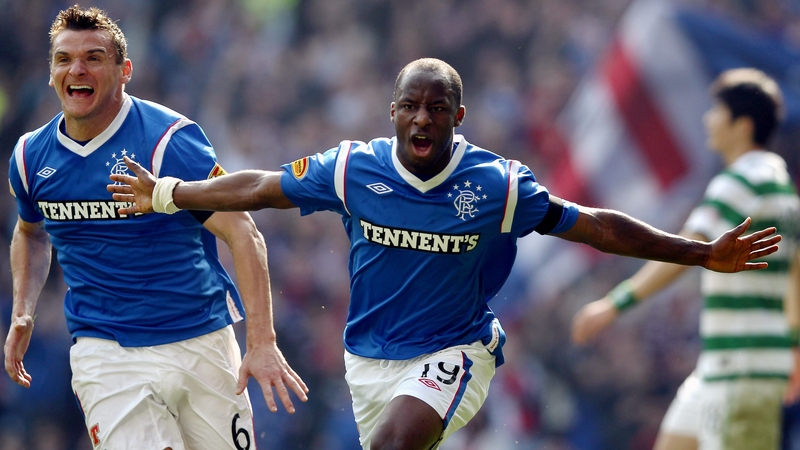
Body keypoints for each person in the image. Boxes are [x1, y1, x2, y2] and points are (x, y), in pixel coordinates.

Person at [109, 58, 781, 450]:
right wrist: (171, 191)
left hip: (455, 352)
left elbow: (596, 226)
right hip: (368, 359)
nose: (423, 119)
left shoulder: (496, 184)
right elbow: (260, 185)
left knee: (398, 444)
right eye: (411, 106)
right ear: (393, 111)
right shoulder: (353, 170)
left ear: (459, 116)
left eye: (438, 108)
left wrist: (699, 252)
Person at [5, 5, 308, 450]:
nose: (77, 69)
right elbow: (31, 232)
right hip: (105, 351)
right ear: (51, 72)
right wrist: (23, 309)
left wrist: (261, 342)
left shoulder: (169, 140)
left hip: (199, 339)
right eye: (64, 59)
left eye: (93, 57)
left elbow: (243, 232)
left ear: (123, 70)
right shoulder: (31, 158)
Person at [571, 68, 800, 450]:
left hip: (742, 372)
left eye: (717, 111)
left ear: (741, 125)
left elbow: (685, 252)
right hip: (726, 368)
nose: (708, 119)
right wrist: (793, 349)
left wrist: (614, 304)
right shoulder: (784, 190)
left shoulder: (738, 183)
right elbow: (793, 277)